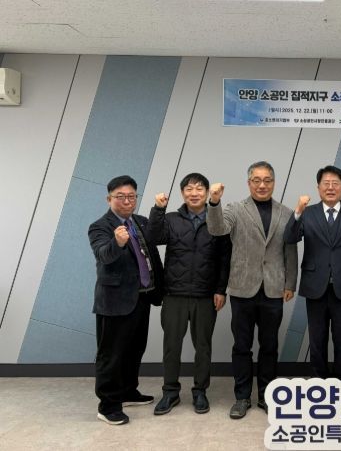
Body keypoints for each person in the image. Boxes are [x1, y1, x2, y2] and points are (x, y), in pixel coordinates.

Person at [207, 161, 298, 419]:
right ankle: (242, 397)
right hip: (242, 288)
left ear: (274, 183)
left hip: (274, 289)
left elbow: (290, 249)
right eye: (256, 180)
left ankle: (267, 396)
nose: (262, 185)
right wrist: (214, 202)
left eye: (267, 180)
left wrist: (290, 283)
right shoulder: (235, 209)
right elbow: (217, 229)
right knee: (242, 346)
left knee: (269, 346)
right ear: (249, 183)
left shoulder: (286, 213)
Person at [147, 173, 231, 416]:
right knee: (171, 346)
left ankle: (200, 391)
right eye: (189, 189)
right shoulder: (171, 219)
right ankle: (170, 392)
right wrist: (158, 209)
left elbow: (225, 258)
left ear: (207, 192)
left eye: (199, 188)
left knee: (203, 346)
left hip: (205, 294)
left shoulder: (218, 220)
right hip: (174, 293)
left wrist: (220, 290)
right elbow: (154, 237)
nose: (194, 193)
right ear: (182, 193)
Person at [88, 175, 164, 425]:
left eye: (131, 196)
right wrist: (117, 243)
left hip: (141, 298)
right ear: (109, 199)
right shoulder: (100, 226)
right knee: (111, 355)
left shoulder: (140, 222)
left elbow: (152, 252)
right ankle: (108, 405)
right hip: (114, 302)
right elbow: (103, 255)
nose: (127, 201)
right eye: (120, 197)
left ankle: (128, 391)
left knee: (134, 349)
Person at [283, 165, 341, 386]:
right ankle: (319, 384)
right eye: (326, 184)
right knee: (317, 339)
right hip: (315, 287)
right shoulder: (308, 212)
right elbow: (290, 238)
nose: (330, 188)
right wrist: (298, 211)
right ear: (318, 187)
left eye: (335, 184)